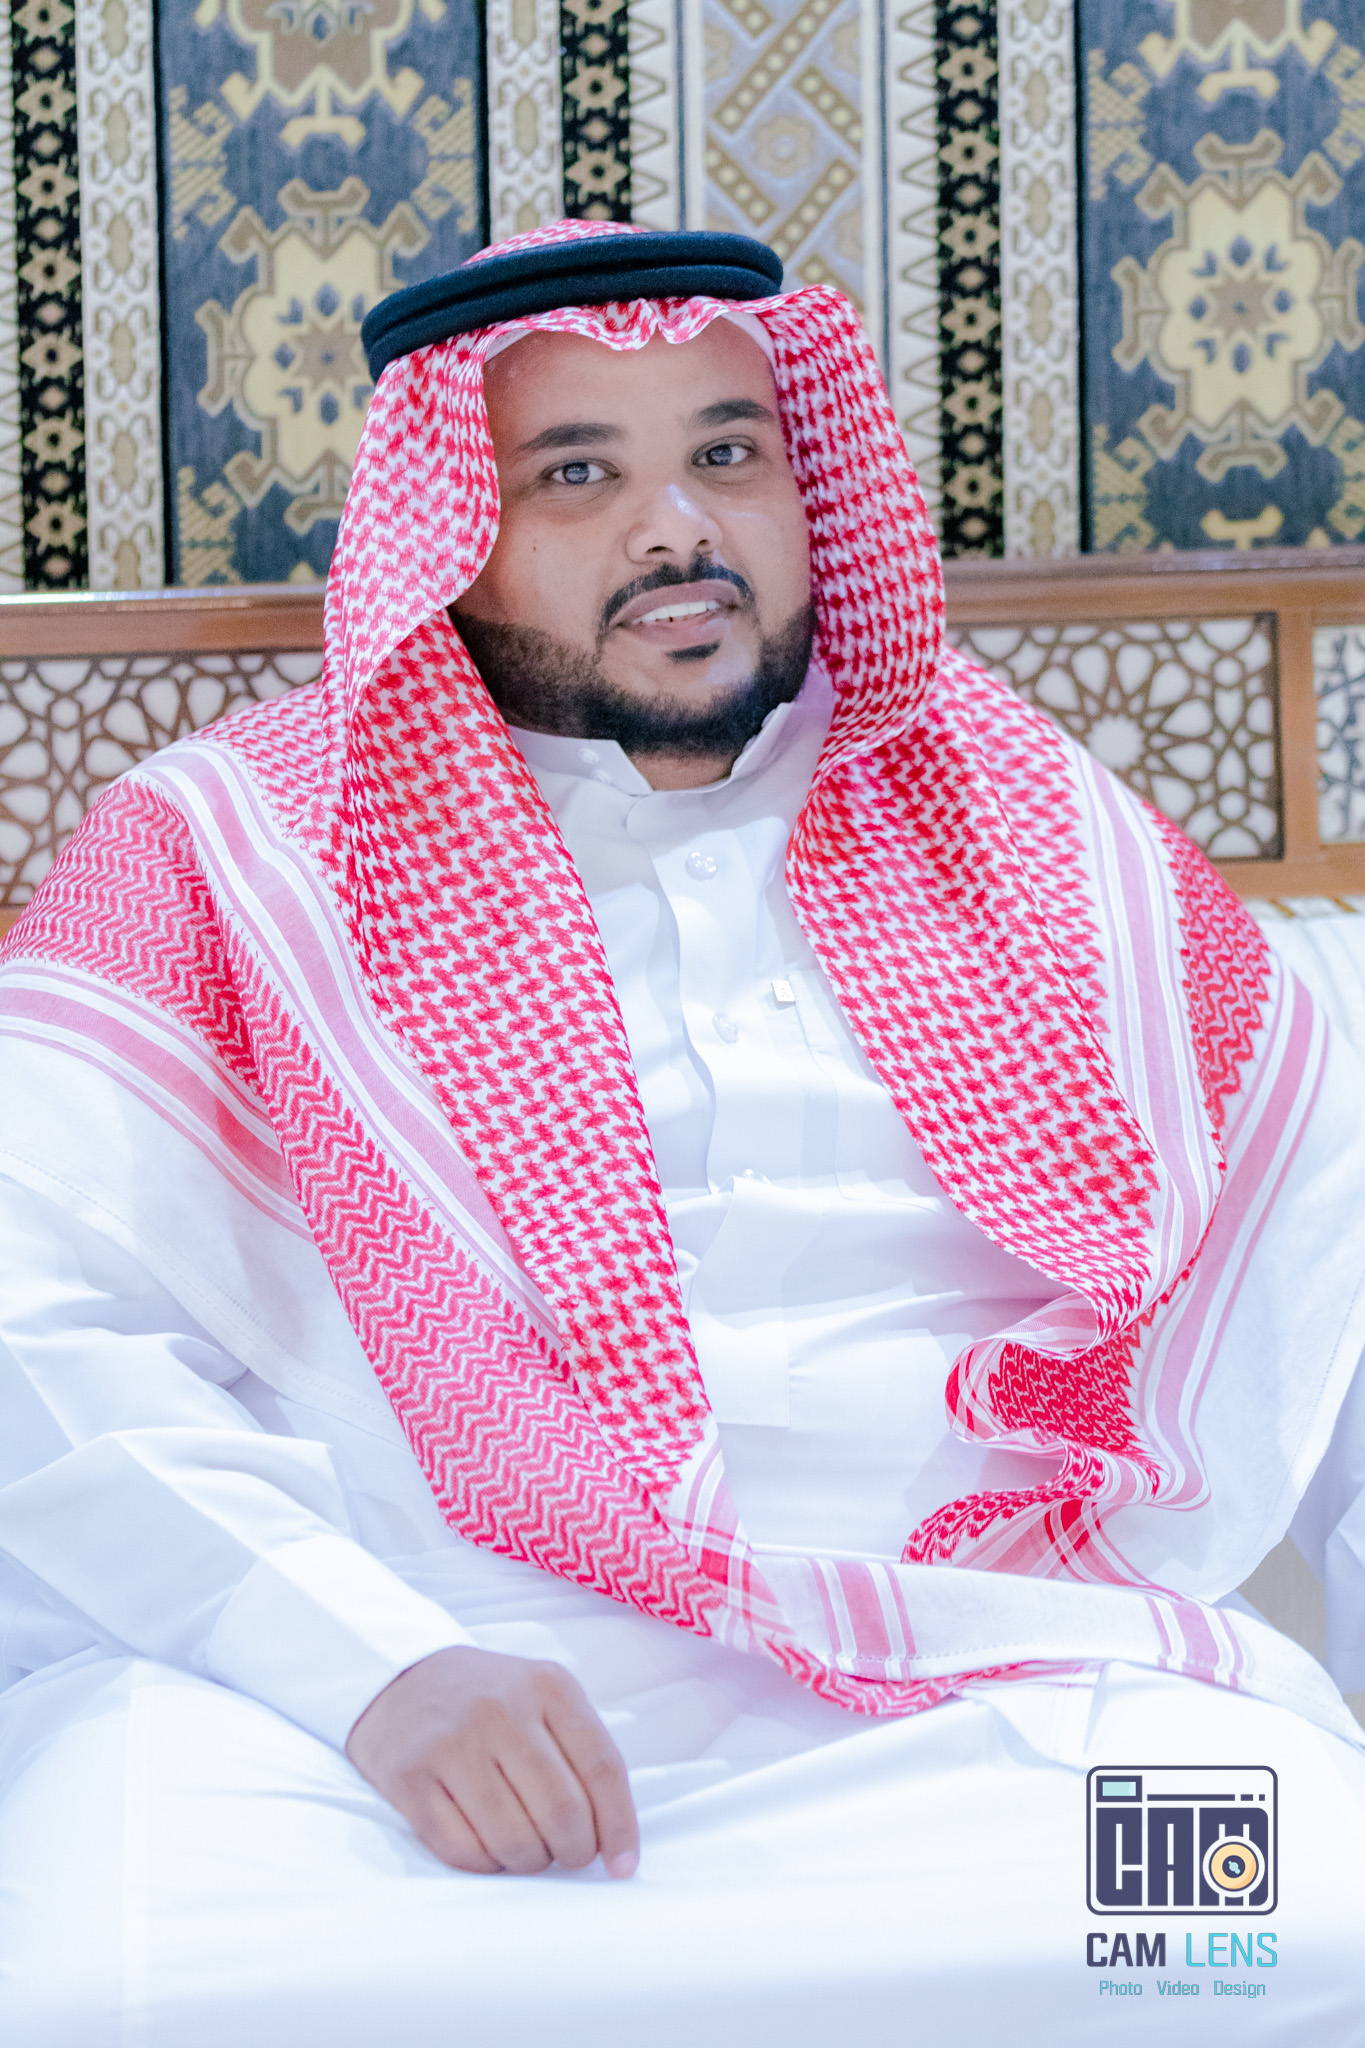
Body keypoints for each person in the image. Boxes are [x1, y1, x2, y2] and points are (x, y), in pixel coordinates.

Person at [1, 220, 1364, 2044]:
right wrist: (367, 1667)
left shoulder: (1025, 822)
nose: (676, 529)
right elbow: (37, 1319)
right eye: (577, 474)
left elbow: (1322, 1261)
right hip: (412, 1675)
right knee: (116, 1995)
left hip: (1000, 1667)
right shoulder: (228, 853)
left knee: (1295, 1934)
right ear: (447, 533)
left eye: (727, 453)